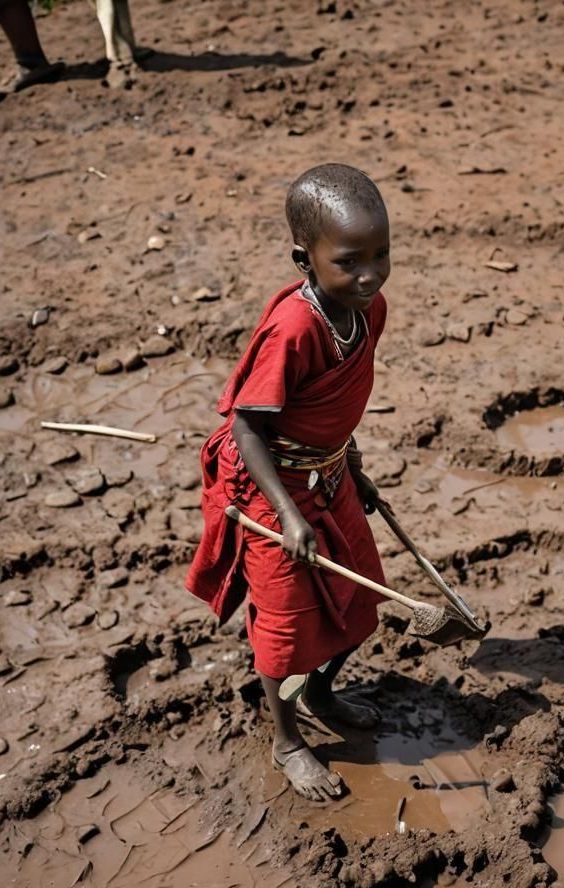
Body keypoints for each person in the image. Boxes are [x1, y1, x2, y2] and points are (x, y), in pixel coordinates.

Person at [187, 163, 392, 802]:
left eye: (382, 255)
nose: (370, 275)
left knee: (359, 604)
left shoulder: (367, 310)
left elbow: (333, 410)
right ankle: (287, 741)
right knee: (284, 629)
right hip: (273, 489)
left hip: (329, 478)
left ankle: (324, 693)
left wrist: (355, 471)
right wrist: (288, 515)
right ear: (305, 259)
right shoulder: (295, 329)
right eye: (350, 262)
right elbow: (248, 428)